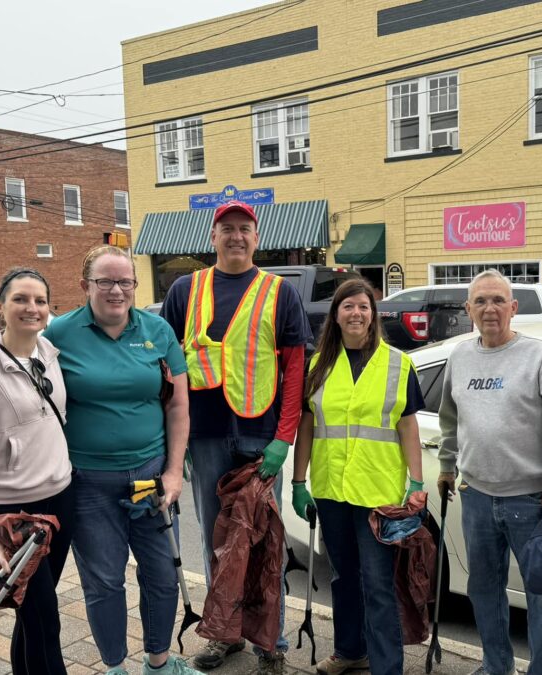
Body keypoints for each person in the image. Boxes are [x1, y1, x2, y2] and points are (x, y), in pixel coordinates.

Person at [162, 200, 311, 675]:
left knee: (266, 544)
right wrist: (174, 445)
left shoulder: (279, 293)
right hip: (204, 438)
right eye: (227, 228)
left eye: (244, 228)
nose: (236, 236)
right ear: (213, 236)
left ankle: (272, 642)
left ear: (256, 236)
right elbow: (167, 368)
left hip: (259, 438)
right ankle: (225, 634)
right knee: (215, 541)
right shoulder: (186, 289)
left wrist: (283, 439)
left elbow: (294, 370)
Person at [43, 246, 199, 675]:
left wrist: (173, 471)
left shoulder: (159, 331)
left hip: (151, 479)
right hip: (87, 483)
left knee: (163, 576)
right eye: (105, 282)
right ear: (84, 286)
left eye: (125, 282)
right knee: (104, 582)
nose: (117, 290)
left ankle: (159, 662)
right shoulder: (58, 336)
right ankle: (115, 667)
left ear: (135, 285)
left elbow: (178, 407)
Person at [437, 269, 542, 675]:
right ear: (468, 309)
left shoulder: (539, 356)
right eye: (480, 301)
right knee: (482, 591)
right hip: (477, 497)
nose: (490, 309)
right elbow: (451, 421)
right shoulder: (460, 357)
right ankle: (496, 667)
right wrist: (447, 466)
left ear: (514, 308)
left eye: (498, 300)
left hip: (533, 503)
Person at [290, 278, 425, 675]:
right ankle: (351, 651)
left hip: (377, 492)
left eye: (363, 307)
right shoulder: (320, 365)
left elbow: (408, 427)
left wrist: (416, 483)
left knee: (378, 584)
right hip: (332, 490)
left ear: (373, 315)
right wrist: (299, 482)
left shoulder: (399, 364)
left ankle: (387, 667)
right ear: (336, 314)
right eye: (348, 306)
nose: (356, 313)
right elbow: (308, 426)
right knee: (344, 576)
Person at [0, 268, 74, 674]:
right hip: (17, 515)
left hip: (60, 502)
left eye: (40, 300)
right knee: (45, 618)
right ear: (0, 306)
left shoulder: (48, 355)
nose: (32, 308)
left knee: (30, 613)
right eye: (20, 299)